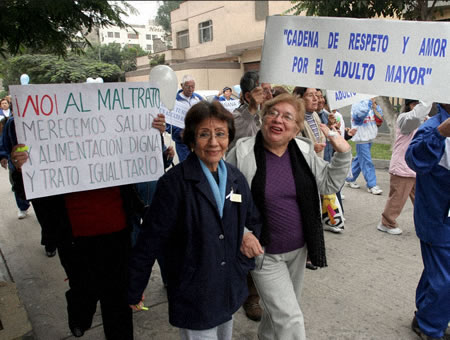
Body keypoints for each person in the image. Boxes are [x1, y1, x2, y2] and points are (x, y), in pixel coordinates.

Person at [128, 101, 262, 340]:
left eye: (220, 134)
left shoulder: (235, 178)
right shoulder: (173, 184)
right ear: (191, 140)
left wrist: (245, 242)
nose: (213, 142)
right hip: (194, 291)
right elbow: (150, 241)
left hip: (228, 287)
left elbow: (253, 220)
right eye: (204, 134)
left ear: (229, 138)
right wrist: (134, 288)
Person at [227, 93, 352, 340]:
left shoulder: (304, 150)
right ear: (263, 118)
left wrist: (343, 154)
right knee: (290, 318)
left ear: (296, 129)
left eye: (287, 117)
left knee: (279, 315)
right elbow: (226, 197)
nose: (278, 120)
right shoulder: (242, 152)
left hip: (299, 250)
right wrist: (242, 233)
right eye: (273, 113)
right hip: (264, 252)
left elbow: (328, 184)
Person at [229, 71, 272, 321]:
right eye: (261, 90)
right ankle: (249, 296)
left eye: (269, 89)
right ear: (247, 96)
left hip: (267, 190)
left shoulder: (271, 117)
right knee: (245, 239)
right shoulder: (236, 118)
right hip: (242, 192)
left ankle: (258, 290)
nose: (268, 94)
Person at [405, 104, 449, 340]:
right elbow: (414, 160)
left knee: (438, 272)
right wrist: (440, 134)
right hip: (438, 220)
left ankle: (425, 315)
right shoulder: (433, 127)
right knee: (445, 278)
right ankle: (430, 326)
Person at [378, 100, 432, 235]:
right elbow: (415, 117)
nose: (418, 108)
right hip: (402, 167)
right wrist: (427, 101)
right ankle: (387, 223)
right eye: (415, 104)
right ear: (409, 106)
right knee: (397, 198)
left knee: (422, 199)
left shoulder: (426, 120)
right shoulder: (405, 119)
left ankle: (425, 223)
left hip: (415, 168)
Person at [0, 98, 31, 220]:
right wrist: (3, 156)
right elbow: (5, 140)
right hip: (17, 162)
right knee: (19, 185)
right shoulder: (11, 122)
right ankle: (22, 207)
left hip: (35, 160)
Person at [345, 98, 384, 195]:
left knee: (360, 159)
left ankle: (350, 178)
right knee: (367, 162)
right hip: (361, 138)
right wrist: (369, 102)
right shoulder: (356, 104)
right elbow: (359, 115)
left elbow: (379, 118)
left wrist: (375, 106)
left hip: (369, 137)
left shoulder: (371, 104)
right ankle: (372, 185)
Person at [166, 75, 203, 162]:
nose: (191, 89)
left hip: (198, 140)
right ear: (182, 85)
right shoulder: (173, 101)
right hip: (182, 142)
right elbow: (167, 123)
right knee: (187, 167)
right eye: (188, 87)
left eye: (193, 87)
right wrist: (178, 132)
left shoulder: (198, 98)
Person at [292, 87, 326, 158]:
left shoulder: (315, 115)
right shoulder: (294, 119)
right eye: (310, 95)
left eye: (316, 95)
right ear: (299, 99)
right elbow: (292, 146)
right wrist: (311, 148)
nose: (315, 99)